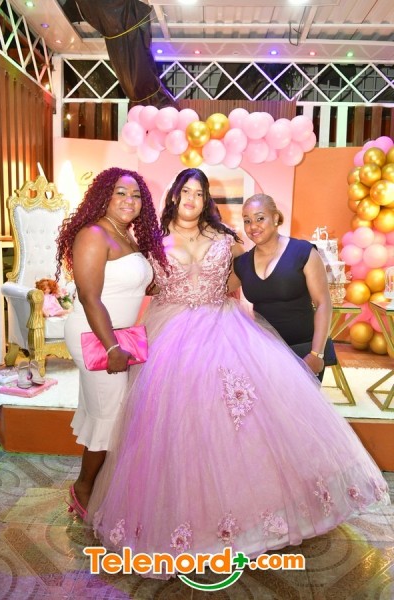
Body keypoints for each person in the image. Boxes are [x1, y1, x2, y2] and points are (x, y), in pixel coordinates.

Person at [86, 168, 389, 577]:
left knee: (243, 422)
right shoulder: (151, 242)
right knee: (175, 426)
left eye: (199, 192)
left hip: (224, 329)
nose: (191, 198)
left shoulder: (227, 240)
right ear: (173, 196)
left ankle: (258, 516)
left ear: (206, 199)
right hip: (169, 336)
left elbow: (247, 277)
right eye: (185, 191)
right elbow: (136, 284)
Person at [55, 167, 167, 518]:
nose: (129, 200)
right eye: (120, 192)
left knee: (113, 413)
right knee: (111, 416)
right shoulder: (94, 234)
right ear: (104, 195)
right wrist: (111, 347)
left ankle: (104, 486)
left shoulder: (127, 235)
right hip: (97, 336)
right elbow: (89, 297)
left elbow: (134, 285)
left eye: (135, 195)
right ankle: (84, 488)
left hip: (122, 334)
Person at [233, 193, 333, 381]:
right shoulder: (243, 263)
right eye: (247, 221)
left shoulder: (303, 252)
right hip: (263, 353)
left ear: (275, 218)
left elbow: (323, 303)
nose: (253, 226)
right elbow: (213, 290)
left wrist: (317, 354)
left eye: (260, 218)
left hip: (303, 353)